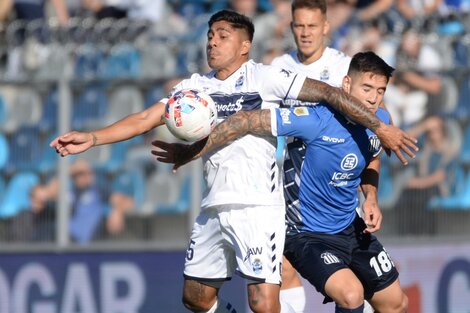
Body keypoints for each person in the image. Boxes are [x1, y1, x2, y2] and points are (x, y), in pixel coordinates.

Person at [51, 10, 417, 313]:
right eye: (210, 34)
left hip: (260, 205)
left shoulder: (265, 77)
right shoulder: (194, 89)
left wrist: (378, 127)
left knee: (263, 301)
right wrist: (94, 137)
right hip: (214, 205)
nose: (212, 41)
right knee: (194, 298)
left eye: (222, 35)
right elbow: (146, 118)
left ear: (244, 46)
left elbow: (326, 93)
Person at [151, 51, 409, 313]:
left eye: (380, 90)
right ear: (346, 85)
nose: (374, 98)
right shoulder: (315, 119)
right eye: (367, 88)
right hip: (306, 233)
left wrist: (371, 198)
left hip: (350, 226)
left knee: (396, 304)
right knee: (351, 296)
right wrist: (191, 151)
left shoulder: (381, 124)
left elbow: (372, 156)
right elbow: (246, 120)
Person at [270, 0, 351, 311]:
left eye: (312, 26)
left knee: (349, 275)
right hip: (289, 183)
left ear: (326, 27)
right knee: (283, 263)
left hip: (334, 183)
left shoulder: (343, 67)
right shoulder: (279, 67)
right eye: (299, 26)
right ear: (292, 27)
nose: (305, 33)